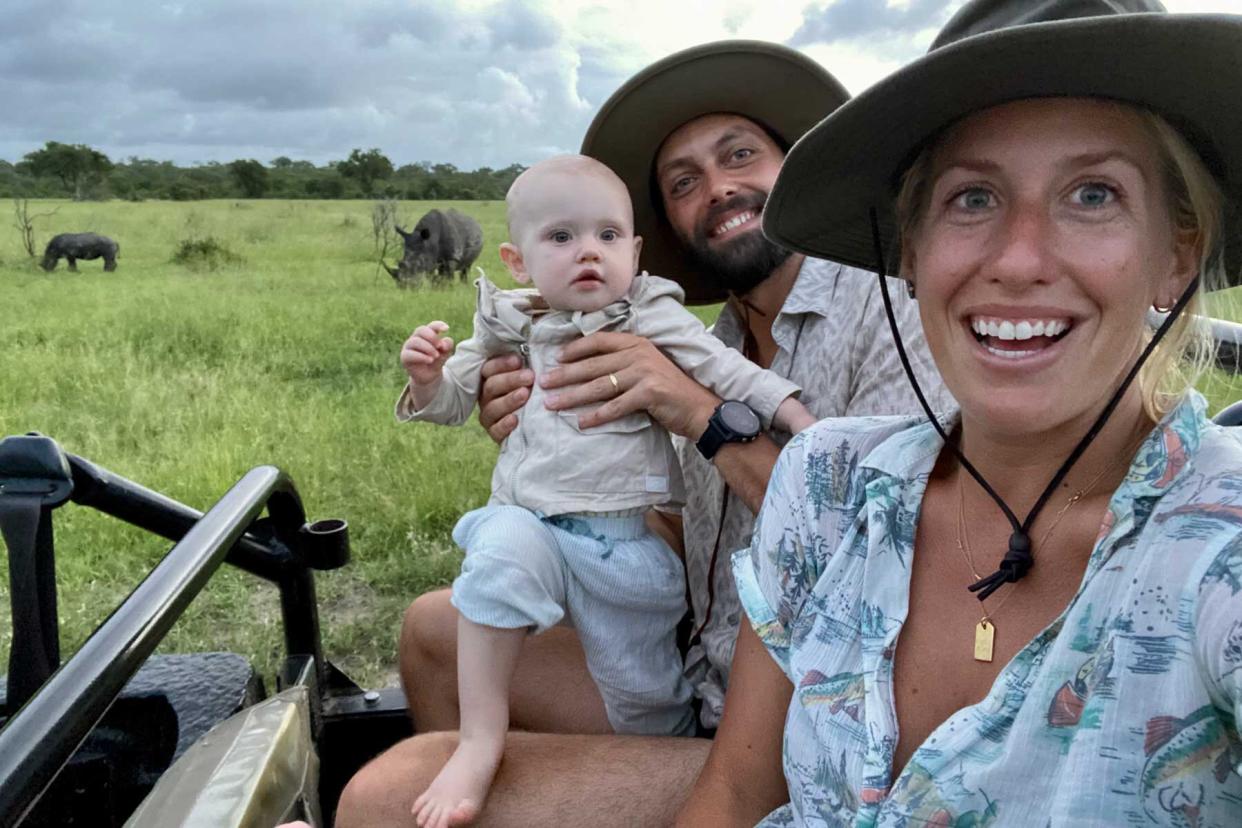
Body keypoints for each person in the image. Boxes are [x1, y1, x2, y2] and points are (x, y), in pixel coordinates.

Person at [337, 41, 950, 827]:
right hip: (697, 673)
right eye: (684, 183)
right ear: (665, 228)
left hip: (809, 723)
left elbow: (884, 549)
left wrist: (699, 415)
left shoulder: (889, 312)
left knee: (381, 795)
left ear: (797, 170)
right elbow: (674, 530)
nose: (719, 188)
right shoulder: (712, 340)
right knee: (433, 629)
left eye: (740, 155)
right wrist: (555, 445)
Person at [683, 1, 1242, 825]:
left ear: (1177, 257)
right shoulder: (829, 486)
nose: (1018, 259)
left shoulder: (1216, 554)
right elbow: (734, 793)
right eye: (972, 198)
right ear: (910, 252)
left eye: (1092, 194)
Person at [396, 153, 813, 827]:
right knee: (495, 552)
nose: (588, 252)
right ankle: (479, 741)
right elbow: (453, 395)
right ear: (518, 259)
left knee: (641, 698)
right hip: (534, 524)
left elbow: (724, 372)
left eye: (607, 236)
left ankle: (648, 752)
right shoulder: (508, 320)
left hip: (625, 550)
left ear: (636, 250)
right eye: (562, 238)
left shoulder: (648, 316)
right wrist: (430, 380)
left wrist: (796, 416)